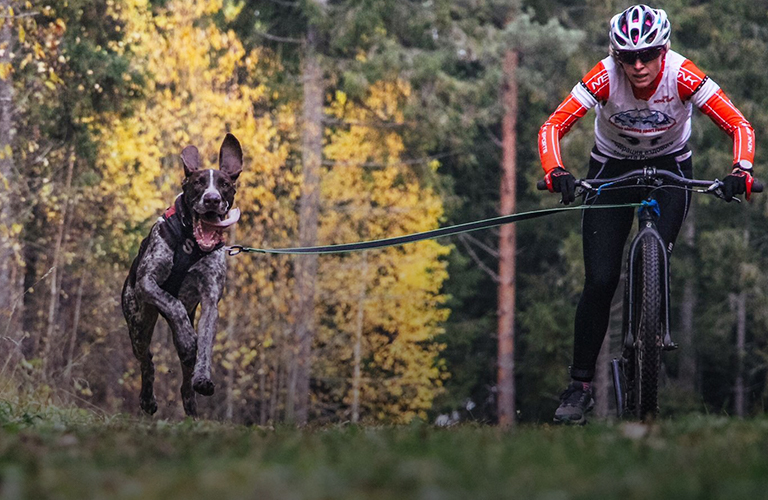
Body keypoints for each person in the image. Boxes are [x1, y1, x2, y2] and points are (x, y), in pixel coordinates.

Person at [538, 4, 756, 424]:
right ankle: (580, 386)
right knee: (600, 279)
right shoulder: (603, 75)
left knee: (656, 255)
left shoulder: (683, 74)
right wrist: (556, 171)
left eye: (648, 54)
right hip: (611, 169)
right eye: (627, 57)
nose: (638, 66)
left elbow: (739, 126)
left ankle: (650, 340)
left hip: (672, 167)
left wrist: (740, 171)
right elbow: (553, 127)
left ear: (665, 49)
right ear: (615, 55)